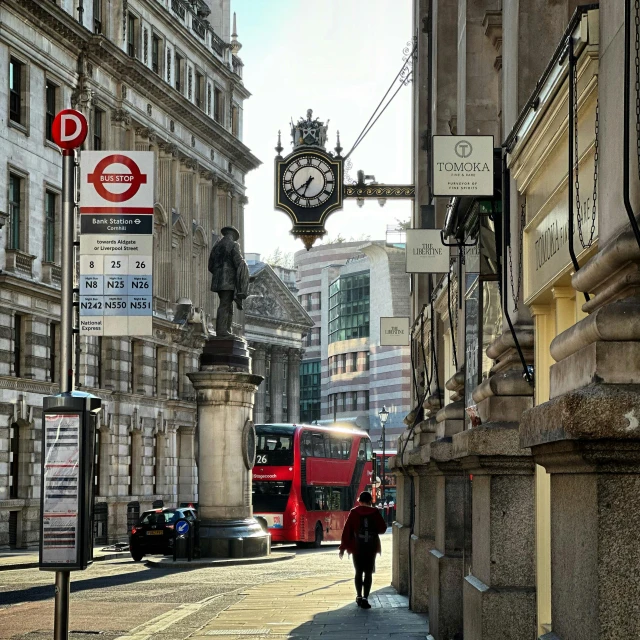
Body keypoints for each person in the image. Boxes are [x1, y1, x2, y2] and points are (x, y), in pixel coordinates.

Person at [338, 490, 387, 609]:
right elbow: (382, 528)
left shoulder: (354, 512)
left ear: (359, 501)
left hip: (357, 546)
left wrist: (343, 547)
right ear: (370, 501)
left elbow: (347, 531)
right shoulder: (375, 512)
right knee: (368, 572)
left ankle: (359, 596)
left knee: (358, 572)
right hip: (371, 546)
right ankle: (365, 597)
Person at [208, 226, 249, 337]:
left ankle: (227, 329)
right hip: (229, 281)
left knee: (226, 304)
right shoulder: (233, 245)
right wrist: (245, 275)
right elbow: (239, 263)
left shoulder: (216, 247)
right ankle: (222, 331)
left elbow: (210, 266)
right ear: (233, 235)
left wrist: (218, 274)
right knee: (225, 304)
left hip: (218, 281)